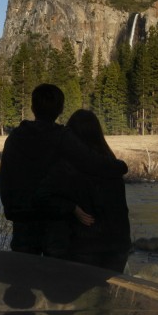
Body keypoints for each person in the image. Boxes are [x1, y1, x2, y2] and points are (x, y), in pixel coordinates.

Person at [0, 84, 128, 257]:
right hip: (54, 224)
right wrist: (121, 166)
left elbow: (6, 182)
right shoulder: (61, 137)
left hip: (22, 223)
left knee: (24, 275)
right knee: (56, 277)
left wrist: (13, 210)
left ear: (32, 107)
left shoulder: (14, 138)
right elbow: (92, 162)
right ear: (60, 110)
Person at [57, 109, 131, 272]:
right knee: (108, 294)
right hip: (118, 244)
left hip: (85, 243)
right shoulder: (111, 163)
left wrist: (71, 208)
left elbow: (55, 197)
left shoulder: (69, 165)